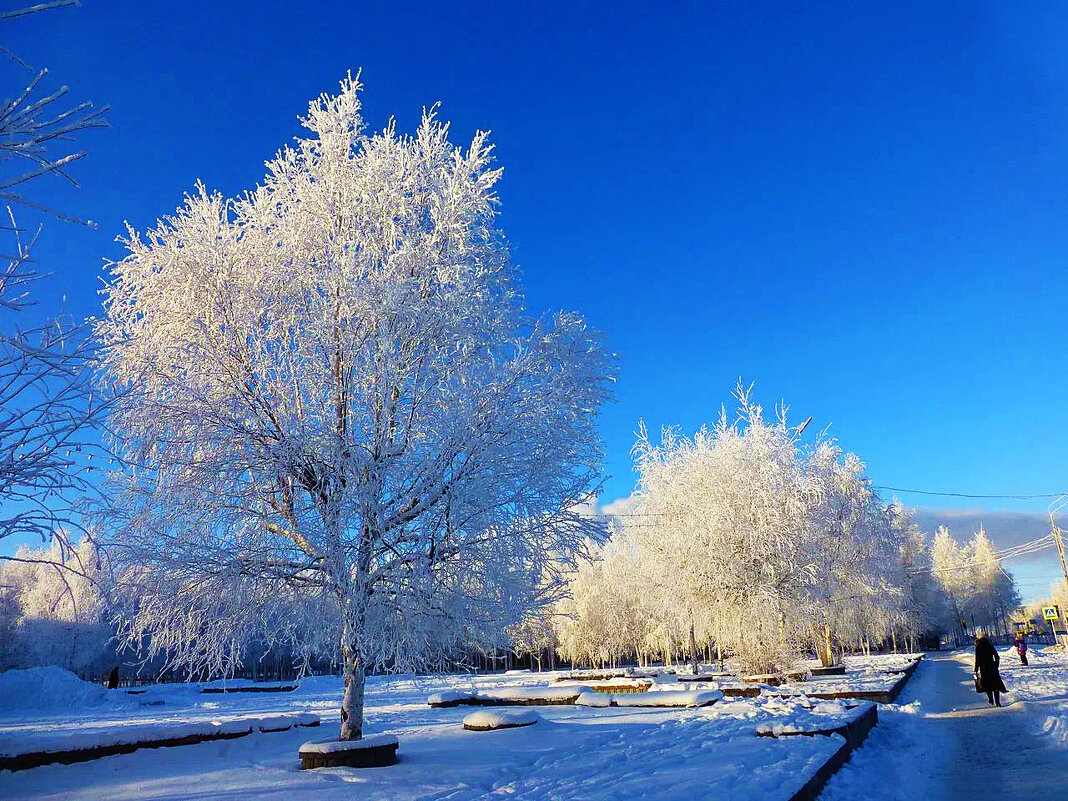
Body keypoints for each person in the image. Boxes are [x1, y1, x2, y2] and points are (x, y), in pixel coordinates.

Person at [974, 631, 1007, 707]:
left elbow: (977, 659)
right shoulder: (990, 645)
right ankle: (998, 702)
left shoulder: (978, 646)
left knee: (987, 684)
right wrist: (996, 664)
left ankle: (991, 700)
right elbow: (996, 656)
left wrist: (976, 669)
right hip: (992, 667)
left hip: (984, 668)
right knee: (995, 685)